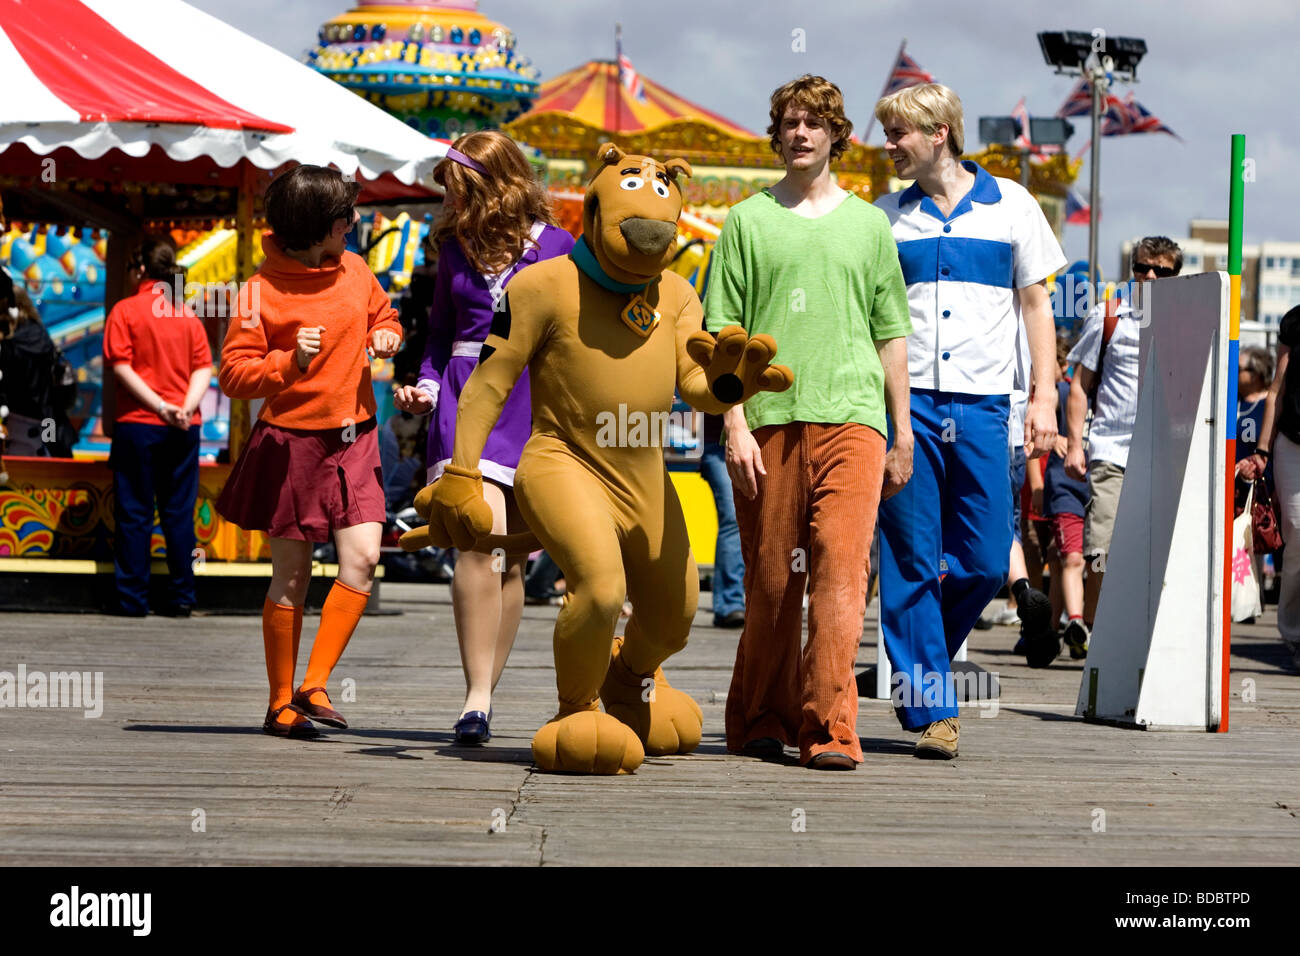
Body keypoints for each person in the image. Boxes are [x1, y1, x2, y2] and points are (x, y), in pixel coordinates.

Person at [708, 75, 913, 770]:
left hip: (856, 418)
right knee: (771, 582)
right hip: (768, 418)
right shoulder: (746, 221)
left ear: (835, 135)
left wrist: (903, 430)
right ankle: (760, 714)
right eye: (790, 122)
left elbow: (892, 334)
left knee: (841, 576)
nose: (800, 133)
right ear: (778, 135)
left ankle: (830, 728)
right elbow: (722, 337)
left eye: (813, 123)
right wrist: (733, 424)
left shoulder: (870, 224)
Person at [874, 83, 1065, 758]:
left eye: (897, 133)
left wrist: (1044, 395)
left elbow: (1037, 307)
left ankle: (916, 673)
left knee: (987, 563)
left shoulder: (1013, 204)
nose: (887, 146)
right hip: (905, 406)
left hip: (986, 405)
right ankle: (930, 705)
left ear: (937, 134)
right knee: (909, 560)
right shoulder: (885, 218)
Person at [392, 131, 574, 744]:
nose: (453, 203)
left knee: (510, 555)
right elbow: (440, 336)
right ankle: (474, 697)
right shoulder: (452, 248)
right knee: (474, 539)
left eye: (462, 190)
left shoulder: (559, 247)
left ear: (500, 184)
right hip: (466, 397)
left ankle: (485, 698)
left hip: (533, 400)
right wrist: (423, 384)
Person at [217, 165, 403, 737]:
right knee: (292, 577)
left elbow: (384, 316)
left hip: (354, 435)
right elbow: (233, 375)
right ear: (320, 225)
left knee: (365, 559)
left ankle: (315, 683)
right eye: (345, 218)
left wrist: (387, 335)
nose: (353, 225)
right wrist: (288, 362)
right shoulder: (258, 291)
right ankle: (280, 703)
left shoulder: (355, 269)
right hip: (290, 443)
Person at [1065, 237, 1183, 629]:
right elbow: (1079, 385)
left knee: (1154, 553)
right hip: (1110, 450)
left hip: (1163, 456)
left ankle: (1140, 633)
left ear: (1175, 276)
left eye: (1161, 271)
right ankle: (1097, 632)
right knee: (1101, 549)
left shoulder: (1187, 321)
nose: (1149, 276)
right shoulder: (1108, 315)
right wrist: (1075, 445)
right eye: (1141, 268)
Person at [101, 238, 212, 617]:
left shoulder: (126, 311)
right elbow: (203, 367)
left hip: (138, 425)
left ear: (140, 269)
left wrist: (161, 407)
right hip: (183, 426)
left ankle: (133, 600)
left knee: (135, 513)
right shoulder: (187, 314)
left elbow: (122, 366)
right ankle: (182, 596)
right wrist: (183, 407)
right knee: (179, 512)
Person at [1239, 304, 1300, 670]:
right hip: (1293, 443)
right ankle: (1293, 632)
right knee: (1297, 534)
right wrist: (1262, 450)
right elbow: (1275, 391)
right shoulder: (1295, 322)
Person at [1043, 336, 1090, 657]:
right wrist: (1055, 436)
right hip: (1066, 489)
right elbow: (1029, 424)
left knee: (1089, 562)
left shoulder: (1118, 393)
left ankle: (1074, 628)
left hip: (1100, 484)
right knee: (1071, 558)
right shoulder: (1061, 394)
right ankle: (1074, 622)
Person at [0, 282, 76, 457]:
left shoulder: (8, 344)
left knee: (20, 477)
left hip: (18, 422)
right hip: (48, 418)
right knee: (49, 463)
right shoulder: (41, 335)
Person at [700, 413, 744, 628]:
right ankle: (730, 604)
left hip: (765, 439)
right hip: (719, 445)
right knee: (733, 518)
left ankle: (760, 603)